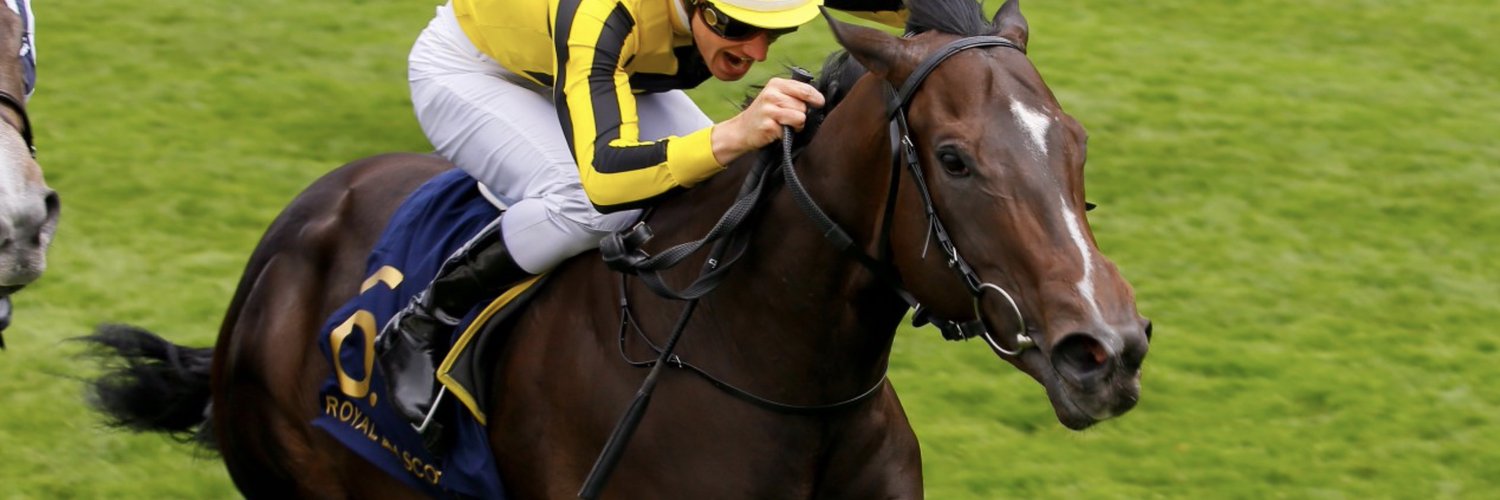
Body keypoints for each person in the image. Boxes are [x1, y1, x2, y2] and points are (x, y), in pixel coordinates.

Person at [382, 0, 907, 427]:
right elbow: (608, 180)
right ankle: (425, 319)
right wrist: (732, 133)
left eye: (774, 31)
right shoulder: (602, 12)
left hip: (608, 66)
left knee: (722, 176)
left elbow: (905, 12)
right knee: (591, 208)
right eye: (738, 26)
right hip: (478, 70)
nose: (754, 49)